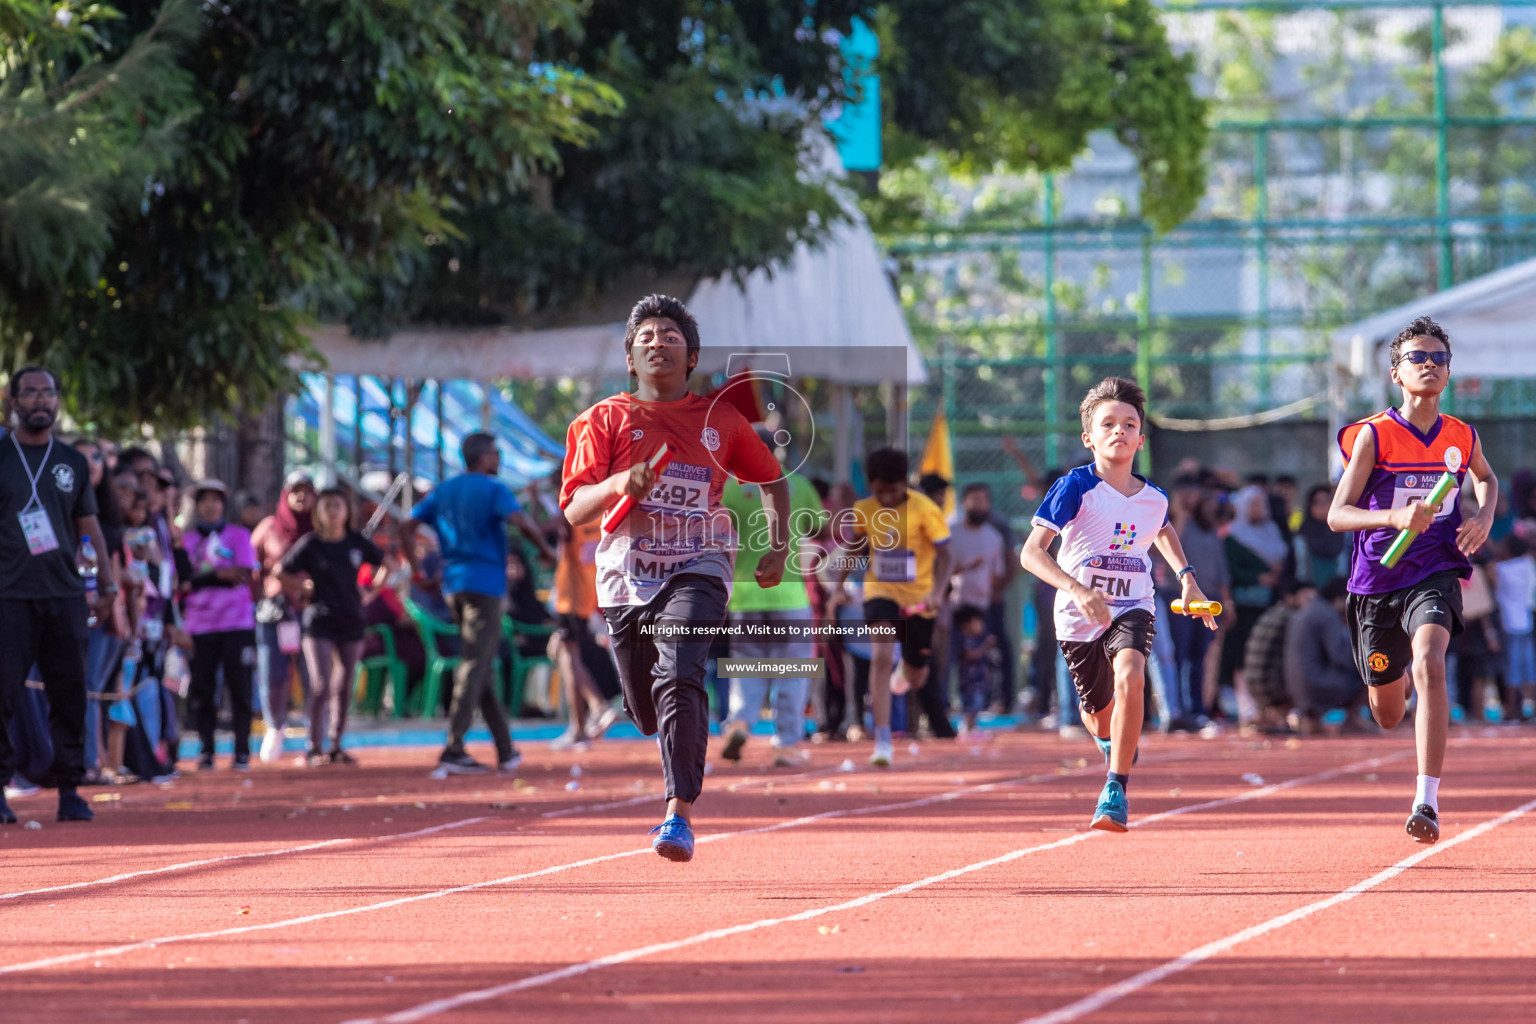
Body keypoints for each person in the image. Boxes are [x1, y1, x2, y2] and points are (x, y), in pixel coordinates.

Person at [560, 294, 788, 862]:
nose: (658, 343)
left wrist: (777, 546)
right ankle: (661, 723)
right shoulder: (602, 421)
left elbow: (772, 480)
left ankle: (677, 815)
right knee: (646, 707)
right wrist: (618, 486)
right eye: (647, 338)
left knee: (682, 674)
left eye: (670, 336)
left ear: (692, 357)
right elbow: (574, 510)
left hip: (699, 564)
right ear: (631, 359)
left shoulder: (721, 421)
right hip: (626, 577)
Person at [1328, 315, 1498, 844]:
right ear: (1396, 374)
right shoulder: (1375, 436)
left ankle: (1426, 799)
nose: (1429, 365)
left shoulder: (1460, 436)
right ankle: (1391, 672)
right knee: (1386, 711)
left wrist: (1483, 516)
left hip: (1435, 567)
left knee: (1430, 660)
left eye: (1438, 358)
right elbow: (1338, 514)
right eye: (1417, 358)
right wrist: (1393, 517)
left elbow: (1486, 479)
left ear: (1449, 372)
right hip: (1377, 578)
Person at [1020, 377, 1215, 832]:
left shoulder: (1154, 497)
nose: (1119, 431)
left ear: (1141, 439)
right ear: (1089, 438)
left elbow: (1162, 528)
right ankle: (1113, 743)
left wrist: (1188, 580)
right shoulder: (1075, 488)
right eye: (1108, 424)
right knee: (1097, 716)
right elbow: (1031, 553)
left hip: (1132, 604)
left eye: (1129, 424)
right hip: (1078, 613)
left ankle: (1115, 788)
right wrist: (1076, 589)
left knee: (1132, 673)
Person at [400, 432, 556, 776]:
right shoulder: (494, 489)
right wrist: (545, 550)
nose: (499, 460)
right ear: (485, 457)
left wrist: (417, 572)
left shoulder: (445, 489)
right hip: (484, 586)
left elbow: (406, 524)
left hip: (453, 586)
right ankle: (453, 748)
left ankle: (506, 750)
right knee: (474, 663)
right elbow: (521, 522)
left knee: (480, 662)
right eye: (497, 453)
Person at [0, 367, 116, 824]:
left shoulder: (71, 460)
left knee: (70, 694)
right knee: (2, 696)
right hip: (8, 596)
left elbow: (89, 527)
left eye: (47, 392)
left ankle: (70, 788)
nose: (39, 401)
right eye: (30, 393)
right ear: (13, 400)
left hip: (64, 594)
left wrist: (105, 584)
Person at [825, 447, 952, 766]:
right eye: (879, 491)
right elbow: (854, 549)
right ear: (871, 486)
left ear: (904, 485)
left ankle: (903, 673)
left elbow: (947, 556)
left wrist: (938, 592)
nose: (886, 498)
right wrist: (837, 588)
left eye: (893, 491)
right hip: (880, 592)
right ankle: (882, 740)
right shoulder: (864, 508)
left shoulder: (924, 509)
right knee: (880, 657)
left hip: (920, 599)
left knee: (917, 677)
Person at [719, 461, 826, 766]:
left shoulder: (728, 489)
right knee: (792, 671)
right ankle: (787, 744)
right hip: (789, 593)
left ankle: (739, 722)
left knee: (746, 667)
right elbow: (819, 527)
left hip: (744, 594)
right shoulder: (799, 484)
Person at [274, 487, 382, 764]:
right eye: (327, 506)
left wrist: (371, 591)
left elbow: (387, 564)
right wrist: (300, 587)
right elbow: (280, 571)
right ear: (318, 512)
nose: (333, 511)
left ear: (347, 511)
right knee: (320, 683)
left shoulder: (357, 543)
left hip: (351, 619)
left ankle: (336, 744)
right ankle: (313, 745)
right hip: (319, 619)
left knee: (344, 683)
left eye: (338, 505)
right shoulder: (311, 544)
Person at [178, 480, 259, 770]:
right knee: (202, 690)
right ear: (197, 506)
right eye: (204, 501)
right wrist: (218, 577)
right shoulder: (186, 541)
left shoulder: (238, 536)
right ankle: (206, 751)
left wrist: (200, 579)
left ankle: (241, 752)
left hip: (238, 623)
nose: (210, 506)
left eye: (216, 500)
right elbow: (182, 581)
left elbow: (243, 574)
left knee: (240, 687)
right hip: (199, 625)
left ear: (224, 505)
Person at [251, 472, 316, 762]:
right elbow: (250, 566)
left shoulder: (320, 529)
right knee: (272, 673)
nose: (301, 497)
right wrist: (261, 598)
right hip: (274, 614)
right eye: (295, 491)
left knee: (313, 675)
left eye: (307, 491)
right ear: (285, 495)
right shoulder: (269, 527)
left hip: (312, 613)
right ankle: (275, 726)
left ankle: (316, 731)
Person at [547, 512, 621, 750]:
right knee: (559, 650)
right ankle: (586, 718)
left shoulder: (572, 514)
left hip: (572, 597)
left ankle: (594, 711)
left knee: (567, 654)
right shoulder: (603, 516)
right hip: (592, 597)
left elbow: (540, 529)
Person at [947, 483, 1006, 722]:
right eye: (974, 499)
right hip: (951, 607)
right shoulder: (949, 533)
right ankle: (942, 711)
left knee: (975, 666)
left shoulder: (993, 537)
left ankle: (970, 717)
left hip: (979, 609)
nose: (980, 505)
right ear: (963, 502)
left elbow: (996, 574)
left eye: (984, 500)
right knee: (946, 662)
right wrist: (962, 568)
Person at [1284, 576, 1366, 733]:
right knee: (1372, 672)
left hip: (1294, 685)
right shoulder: (1328, 615)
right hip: (1314, 686)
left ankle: (1314, 721)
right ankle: (1352, 720)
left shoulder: (1311, 610)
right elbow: (1340, 656)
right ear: (1341, 599)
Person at [1242, 577, 1313, 733]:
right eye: (1307, 598)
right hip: (1273, 689)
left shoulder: (1271, 614)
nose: (1311, 604)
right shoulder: (1293, 619)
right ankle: (1309, 721)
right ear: (1290, 597)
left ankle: (1270, 716)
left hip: (1253, 686)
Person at [1490, 535, 1535, 721]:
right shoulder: (1528, 564)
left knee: (1512, 668)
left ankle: (1511, 710)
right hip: (1526, 621)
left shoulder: (1501, 569)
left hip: (1508, 623)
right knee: (1529, 666)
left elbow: (1491, 574)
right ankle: (1530, 708)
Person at [953, 604, 996, 737]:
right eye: (978, 622)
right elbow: (970, 654)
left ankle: (973, 727)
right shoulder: (965, 640)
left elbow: (985, 663)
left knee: (977, 705)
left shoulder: (978, 640)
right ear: (967, 623)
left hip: (979, 681)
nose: (981, 625)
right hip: (969, 682)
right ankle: (966, 726)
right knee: (969, 705)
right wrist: (985, 647)